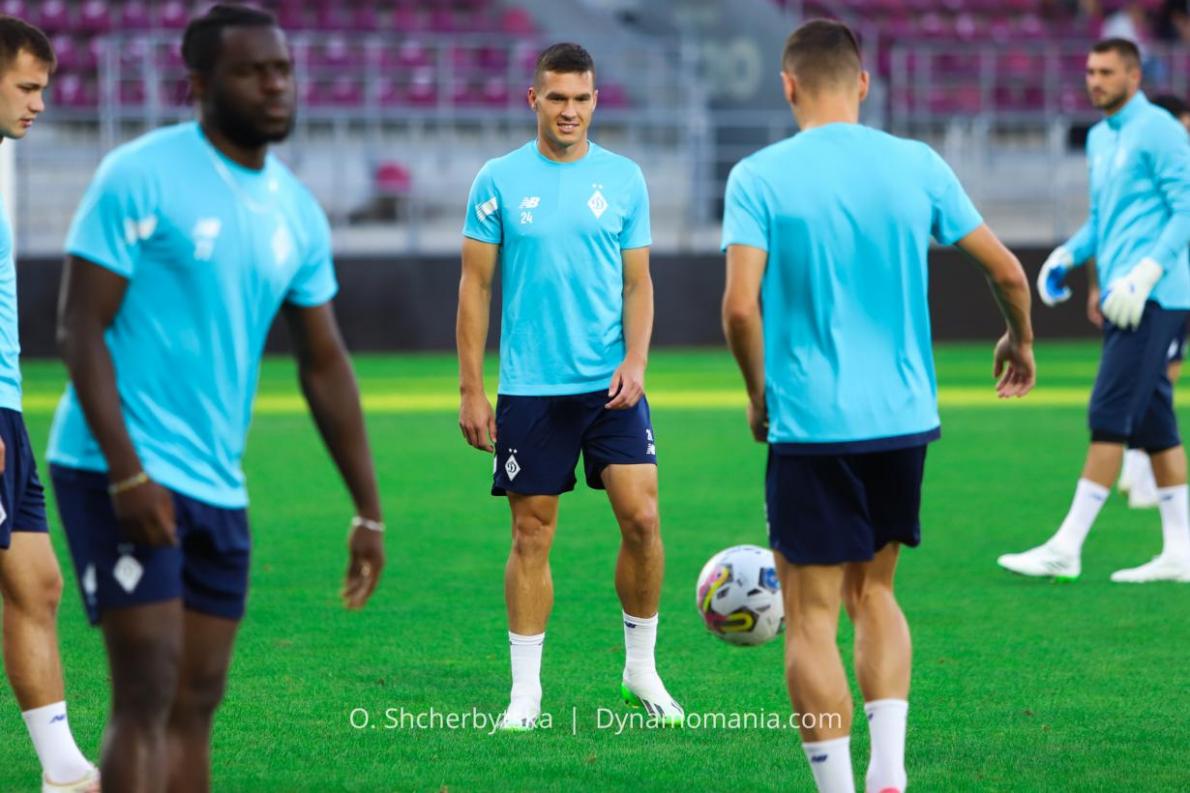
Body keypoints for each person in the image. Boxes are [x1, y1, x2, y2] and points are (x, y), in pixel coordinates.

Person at [47, 6, 385, 791]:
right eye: (251, 71)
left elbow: (325, 363)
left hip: (217, 483)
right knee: (147, 690)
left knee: (198, 701)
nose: (274, 85)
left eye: (283, 69)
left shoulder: (297, 210)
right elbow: (79, 327)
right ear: (199, 85)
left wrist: (368, 510)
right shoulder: (140, 173)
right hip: (114, 465)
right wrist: (128, 474)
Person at [721, 19, 1034, 793]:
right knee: (877, 592)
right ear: (863, 82)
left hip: (810, 423)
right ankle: (889, 772)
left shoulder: (758, 176)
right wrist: (1019, 338)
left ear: (787, 85)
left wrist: (758, 395)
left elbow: (739, 307)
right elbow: (1007, 271)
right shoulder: (917, 163)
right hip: (903, 419)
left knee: (812, 614)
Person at [457, 42, 683, 730]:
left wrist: (636, 361)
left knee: (643, 519)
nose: (570, 111)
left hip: (611, 385)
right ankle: (526, 694)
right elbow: (475, 287)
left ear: (595, 101)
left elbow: (639, 283)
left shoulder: (624, 179)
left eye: (582, 98)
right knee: (532, 534)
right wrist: (471, 388)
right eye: (557, 97)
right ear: (534, 99)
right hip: (531, 389)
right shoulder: (497, 180)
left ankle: (640, 669)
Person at [1005, 38, 1190, 583]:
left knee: (1108, 414)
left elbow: (1186, 207)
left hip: (1153, 296)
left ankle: (1067, 547)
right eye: (1090, 71)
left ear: (1134, 77)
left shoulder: (1159, 129)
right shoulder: (1100, 137)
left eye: (1106, 72)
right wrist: (1068, 254)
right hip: (1121, 297)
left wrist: (1149, 270)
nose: (1095, 81)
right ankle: (1181, 551)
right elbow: (1105, 218)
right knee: (1156, 423)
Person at [0, 17, 99, 793]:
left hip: (8, 408)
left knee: (37, 582)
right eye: (27, 87)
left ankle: (63, 771)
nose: (39, 104)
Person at [1097, 92, 1190, 509]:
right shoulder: (1158, 163)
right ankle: (1137, 469)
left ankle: (1142, 474)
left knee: (1160, 376)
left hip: (1168, 288)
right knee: (1158, 374)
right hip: (1156, 289)